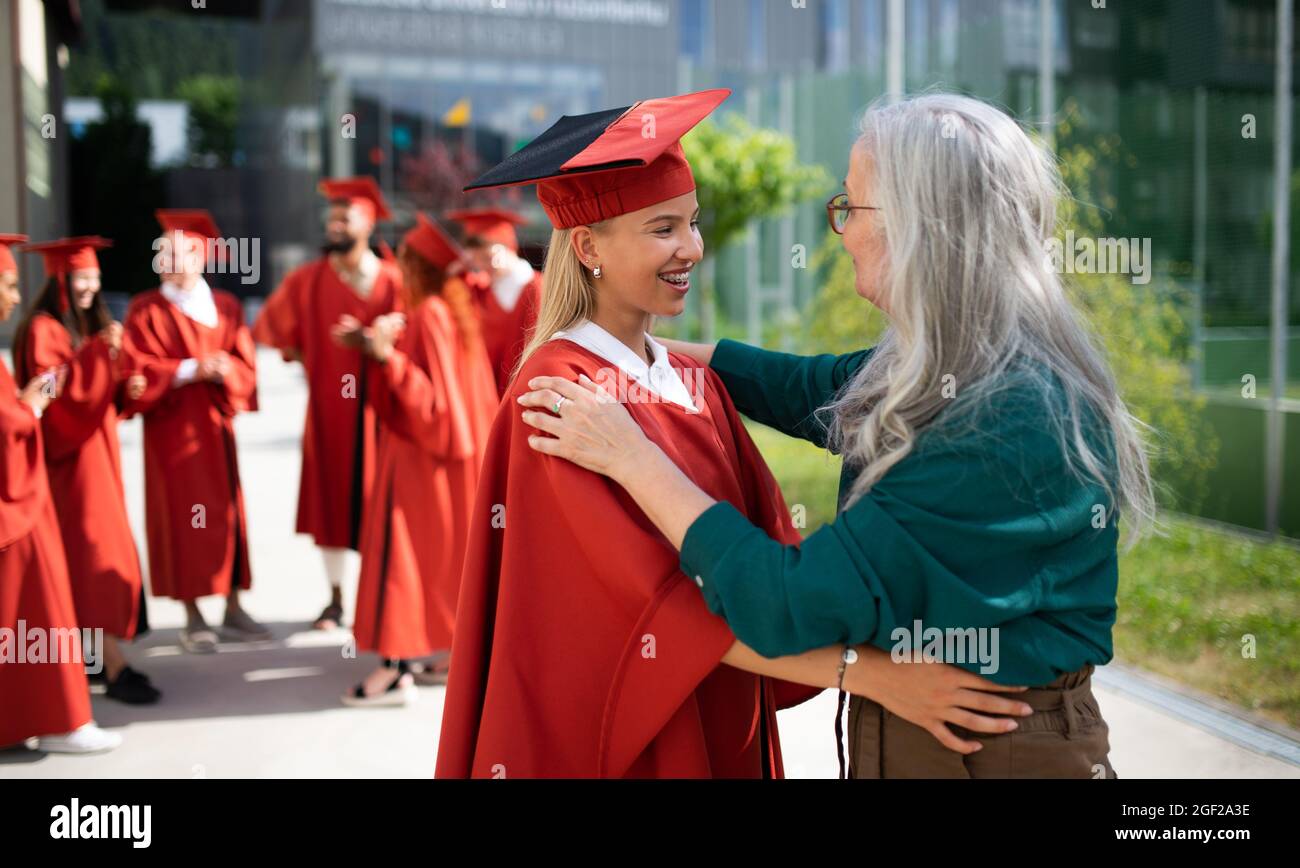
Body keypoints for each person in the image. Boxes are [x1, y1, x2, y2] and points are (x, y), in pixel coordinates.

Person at [517, 94, 1152, 778]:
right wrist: (627, 350)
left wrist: (633, 457)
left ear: (921, 227)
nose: (840, 231)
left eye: (851, 208)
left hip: (989, 747)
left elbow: (787, 603)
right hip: (950, 732)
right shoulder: (964, 360)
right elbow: (804, 388)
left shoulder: (1001, 413)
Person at [334, 214, 497, 706]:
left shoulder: (428, 315)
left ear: (418, 268)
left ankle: (392, 672)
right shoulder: (453, 310)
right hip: (454, 459)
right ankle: (448, 654)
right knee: (445, 561)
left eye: (405, 261)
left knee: (398, 558)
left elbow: (432, 404)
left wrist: (388, 357)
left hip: (421, 459)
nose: (398, 269)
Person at [252, 177, 403, 630]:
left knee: (385, 502)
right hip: (329, 412)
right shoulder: (307, 280)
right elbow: (273, 328)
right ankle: (335, 597)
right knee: (331, 502)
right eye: (332, 219)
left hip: (384, 412)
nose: (335, 226)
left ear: (369, 222)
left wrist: (378, 343)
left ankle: (384, 596)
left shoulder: (395, 281)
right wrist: (317, 358)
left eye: (345, 217)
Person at [14, 236, 156, 703]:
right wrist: (97, 356)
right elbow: (55, 393)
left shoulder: (83, 324)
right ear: (60, 277)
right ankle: (111, 666)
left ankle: (95, 659)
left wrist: (124, 384)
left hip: (98, 455)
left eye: (94, 277)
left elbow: (99, 397)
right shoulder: (41, 329)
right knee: (91, 555)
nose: (89, 286)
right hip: (68, 463)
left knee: (99, 552)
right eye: (80, 277)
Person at [121, 210, 264, 653]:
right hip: (170, 435)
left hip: (215, 431)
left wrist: (226, 371)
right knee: (182, 521)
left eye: (176, 251)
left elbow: (247, 369)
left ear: (200, 257)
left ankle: (233, 606)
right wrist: (189, 369)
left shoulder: (225, 308)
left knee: (226, 518)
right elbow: (135, 370)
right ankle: (192, 614)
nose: (165, 258)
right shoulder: (145, 309)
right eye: (161, 250)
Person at [0, 233, 121, 753]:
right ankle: (60, 717)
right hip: (23, 494)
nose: (11, 295)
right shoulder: (44, 328)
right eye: (4, 284)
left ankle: (38, 716)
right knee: (41, 600)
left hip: (27, 482)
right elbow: (47, 399)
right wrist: (30, 404)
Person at [445, 207, 542, 395]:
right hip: (485, 396)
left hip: (525, 394)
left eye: (482, 248)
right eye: (471, 250)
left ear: (504, 247)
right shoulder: (479, 291)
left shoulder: (538, 289)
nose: (474, 258)